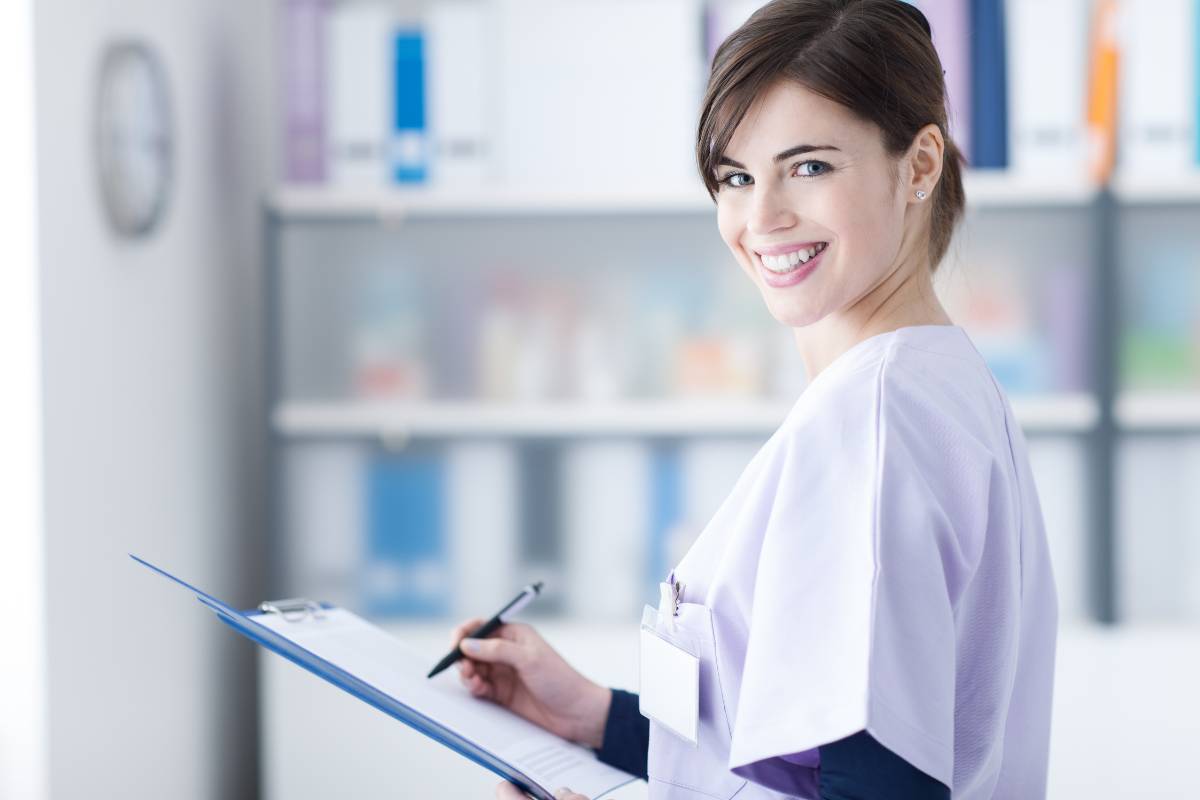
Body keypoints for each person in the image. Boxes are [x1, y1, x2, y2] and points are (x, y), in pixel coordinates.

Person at [449, 0, 1058, 796]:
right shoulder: (942, 383)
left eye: (809, 166)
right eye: (736, 176)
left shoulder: (874, 422)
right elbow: (806, 752)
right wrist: (597, 720)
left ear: (918, 165)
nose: (761, 217)